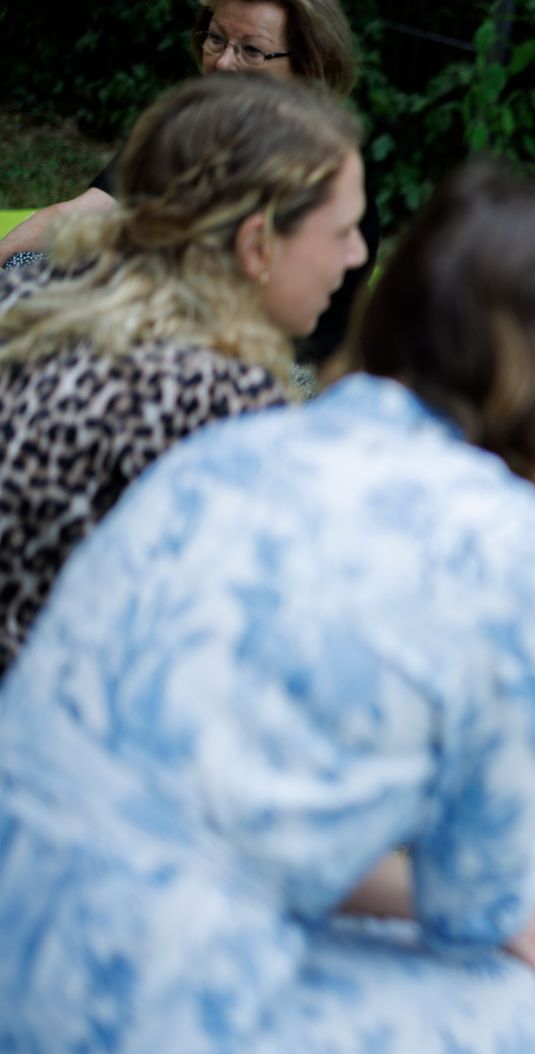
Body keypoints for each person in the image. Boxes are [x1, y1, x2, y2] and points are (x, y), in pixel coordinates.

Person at [0, 160, 535, 1054]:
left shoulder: (237, 446)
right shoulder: (526, 550)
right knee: (502, 1019)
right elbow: (479, 909)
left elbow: (225, 802)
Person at [0, 71, 367, 677]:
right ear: (257, 245)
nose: (358, 256)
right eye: (341, 231)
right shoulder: (223, 398)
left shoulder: (35, 283)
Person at [1, 0, 377, 366]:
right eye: (217, 39)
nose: (224, 63)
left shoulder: (321, 177)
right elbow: (86, 212)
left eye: (252, 50)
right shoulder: (186, 132)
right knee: (23, 268)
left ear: (307, 68)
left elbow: (240, 317)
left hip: (264, 355)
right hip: (159, 315)